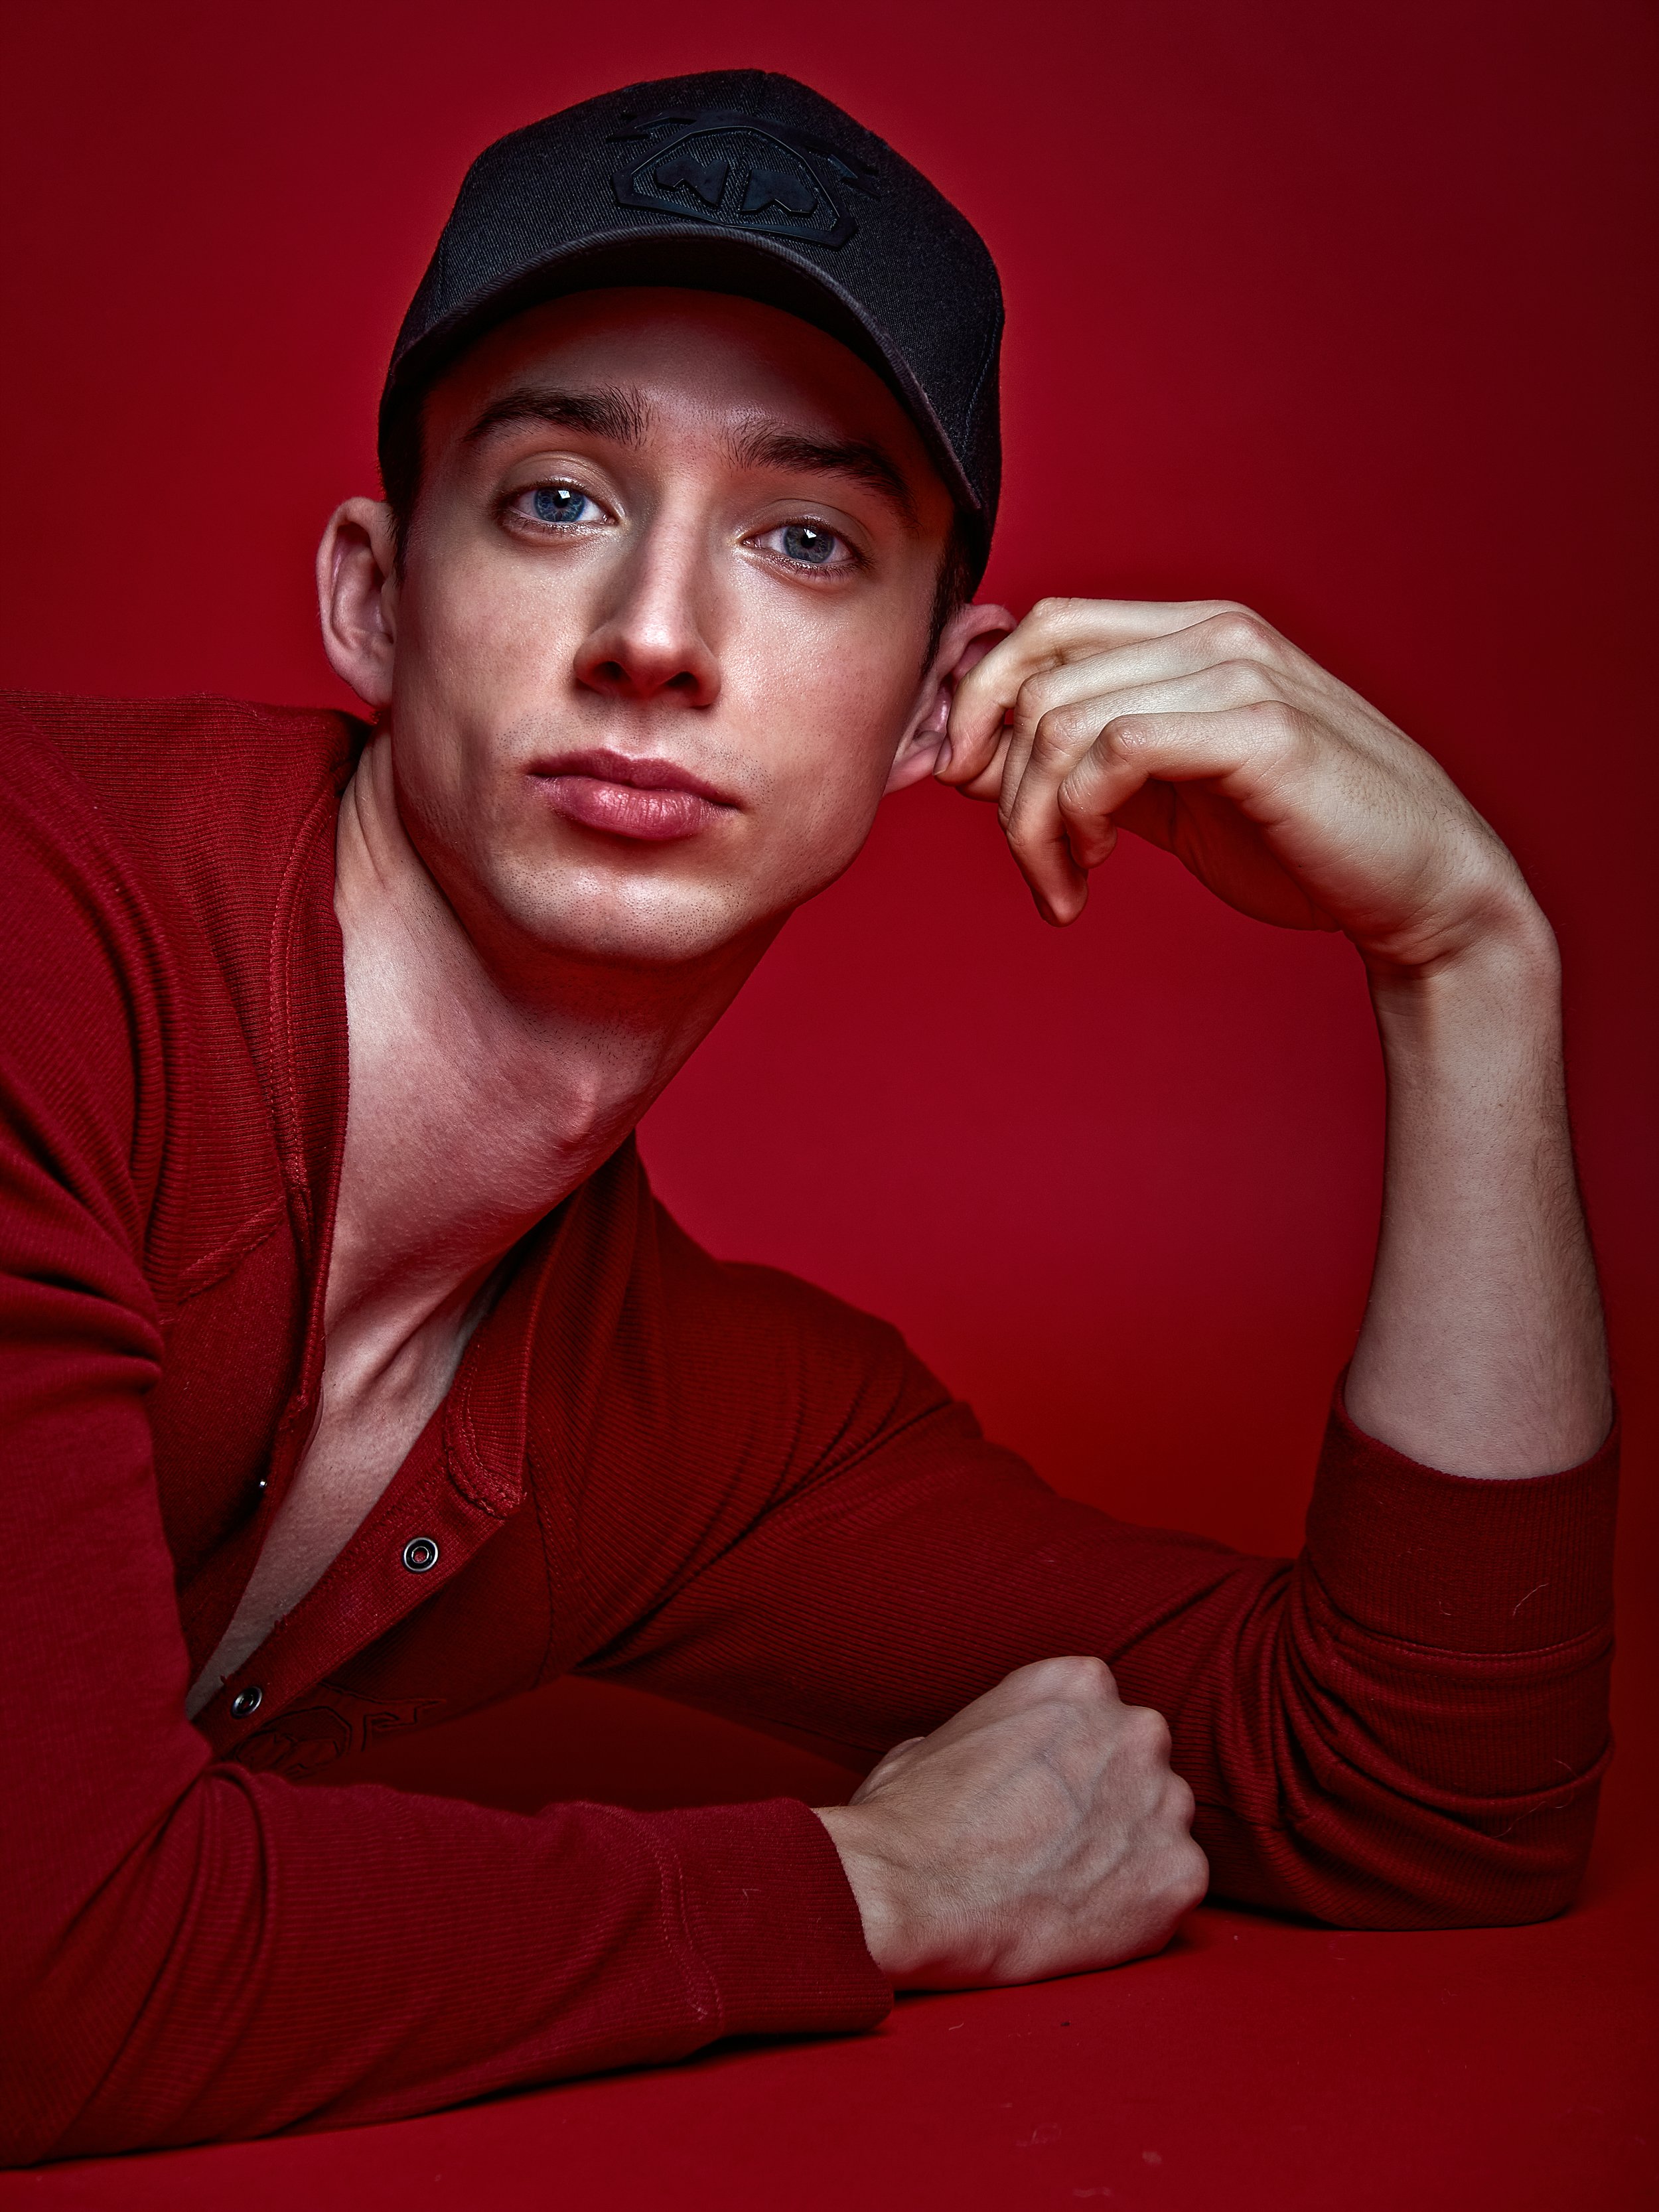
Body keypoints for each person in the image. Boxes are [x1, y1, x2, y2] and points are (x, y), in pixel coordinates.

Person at [0, 69, 1617, 2164]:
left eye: (803, 541)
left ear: (940, 703)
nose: (655, 639)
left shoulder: (676, 1422)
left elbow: (1417, 1800)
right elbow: (47, 1972)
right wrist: (878, 1883)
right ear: (375, 601)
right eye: (557, 499)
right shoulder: (48, 941)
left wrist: (1466, 964)